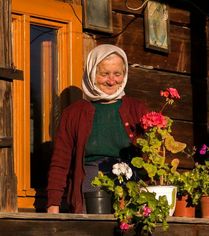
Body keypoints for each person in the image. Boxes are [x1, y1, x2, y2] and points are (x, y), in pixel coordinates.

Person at [47, 44, 149, 213]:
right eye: (104, 74)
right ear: (91, 73)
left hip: (132, 184)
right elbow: (60, 160)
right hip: (91, 185)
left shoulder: (137, 109)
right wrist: (53, 204)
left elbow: (153, 153)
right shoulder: (73, 113)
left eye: (117, 74)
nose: (111, 80)